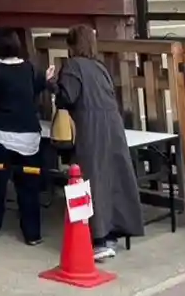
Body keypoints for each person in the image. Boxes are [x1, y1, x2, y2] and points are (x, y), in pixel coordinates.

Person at [55, 24, 145, 261]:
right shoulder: (100, 67)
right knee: (112, 176)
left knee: (86, 180)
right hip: (112, 125)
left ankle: (96, 239)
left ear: (72, 46)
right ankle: (113, 231)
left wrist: (51, 84)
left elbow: (66, 97)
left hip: (89, 126)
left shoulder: (72, 66)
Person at [0, 28, 49, 245]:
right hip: (29, 134)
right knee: (29, 186)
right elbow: (42, 84)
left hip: (1, 133)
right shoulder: (31, 69)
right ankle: (32, 233)